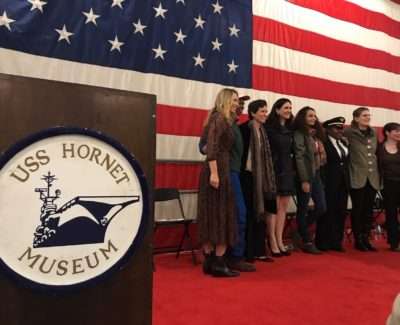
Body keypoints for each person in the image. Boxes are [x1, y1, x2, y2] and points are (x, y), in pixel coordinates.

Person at [197, 88, 240, 277]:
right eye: (234, 100)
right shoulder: (220, 120)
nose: (237, 104)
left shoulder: (215, 119)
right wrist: (215, 173)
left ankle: (209, 261)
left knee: (211, 213)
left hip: (216, 169)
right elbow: (212, 149)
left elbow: (205, 147)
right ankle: (219, 263)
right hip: (218, 171)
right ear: (225, 101)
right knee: (222, 213)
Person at [240, 99, 277, 262]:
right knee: (249, 213)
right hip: (247, 176)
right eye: (262, 111)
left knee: (261, 213)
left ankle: (259, 250)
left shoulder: (264, 131)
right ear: (252, 113)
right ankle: (247, 252)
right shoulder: (244, 129)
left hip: (263, 177)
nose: (265, 114)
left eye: (266, 111)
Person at [344, 107, 380, 252]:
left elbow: (375, 153)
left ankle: (366, 237)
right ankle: (358, 239)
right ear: (356, 118)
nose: (367, 117)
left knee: (368, 209)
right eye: (364, 115)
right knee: (358, 209)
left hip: (372, 176)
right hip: (357, 175)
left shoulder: (373, 133)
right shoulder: (348, 133)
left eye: (368, 115)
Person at [293, 106, 327, 254]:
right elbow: (299, 157)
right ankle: (306, 240)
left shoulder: (315, 135)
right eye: (309, 116)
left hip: (317, 174)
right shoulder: (300, 134)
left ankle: (300, 230)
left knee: (321, 207)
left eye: (314, 116)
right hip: (305, 175)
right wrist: (304, 179)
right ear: (303, 118)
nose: (313, 118)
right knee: (303, 208)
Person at [264, 98, 295, 256]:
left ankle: (280, 239)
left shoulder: (290, 129)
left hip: (287, 170)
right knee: (273, 208)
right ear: (276, 110)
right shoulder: (269, 129)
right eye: (285, 107)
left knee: (283, 207)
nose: (288, 110)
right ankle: (272, 241)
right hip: (274, 170)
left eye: (290, 107)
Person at [315, 117, 349, 252]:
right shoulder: (323, 143)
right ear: (328, 129)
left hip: (343, 182)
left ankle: (336, 241)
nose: (340, 131)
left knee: (340, 211)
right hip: (329, 182)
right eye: (337, 128)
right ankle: (323, 241)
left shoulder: (343, 143)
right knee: (327, 212)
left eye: (342, 128)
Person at [378, 122, 400, 252]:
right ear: (387, 132)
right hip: (387, 184)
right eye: (396, 131)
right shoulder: (379, 148)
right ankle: (394, 242)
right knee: (391, 213)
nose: (398, 133)